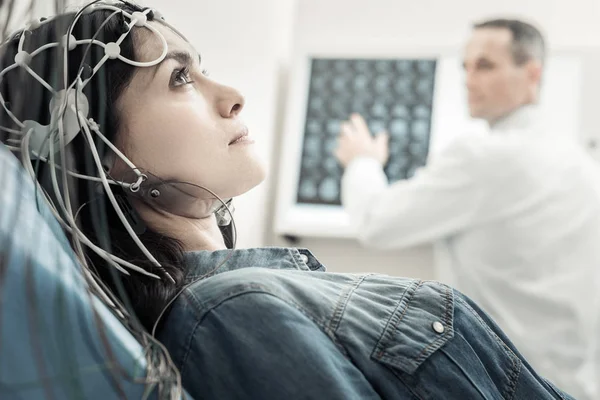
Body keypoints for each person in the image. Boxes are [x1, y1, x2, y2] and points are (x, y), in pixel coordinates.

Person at [0, 3, 575, 398]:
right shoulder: (228, 313)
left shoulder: (245, 298)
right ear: (105, 156)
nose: (232, 96)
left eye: (204, 72)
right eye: (179, 79)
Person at [335, 18, 600, 400]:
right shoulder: (577, 159)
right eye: (465, 66)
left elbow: (377, 221)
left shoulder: (486, 157)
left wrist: (362, 161)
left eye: (486, 65)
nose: (469, 78)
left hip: (513, 384)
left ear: (532, 73)